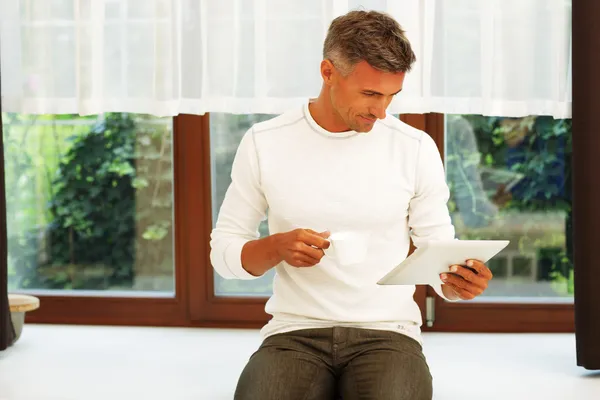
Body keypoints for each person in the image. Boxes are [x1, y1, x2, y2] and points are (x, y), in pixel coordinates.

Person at [210, 10, 494, 400]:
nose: (381, 111)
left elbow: (436, 251)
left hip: (387, 332)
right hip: (294, 331)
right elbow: (224, 253)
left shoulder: (413, 148)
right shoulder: (265, 141)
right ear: (328, 72)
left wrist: (457, 284)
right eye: (370, 94)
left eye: (391, 96)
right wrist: (275, 248)